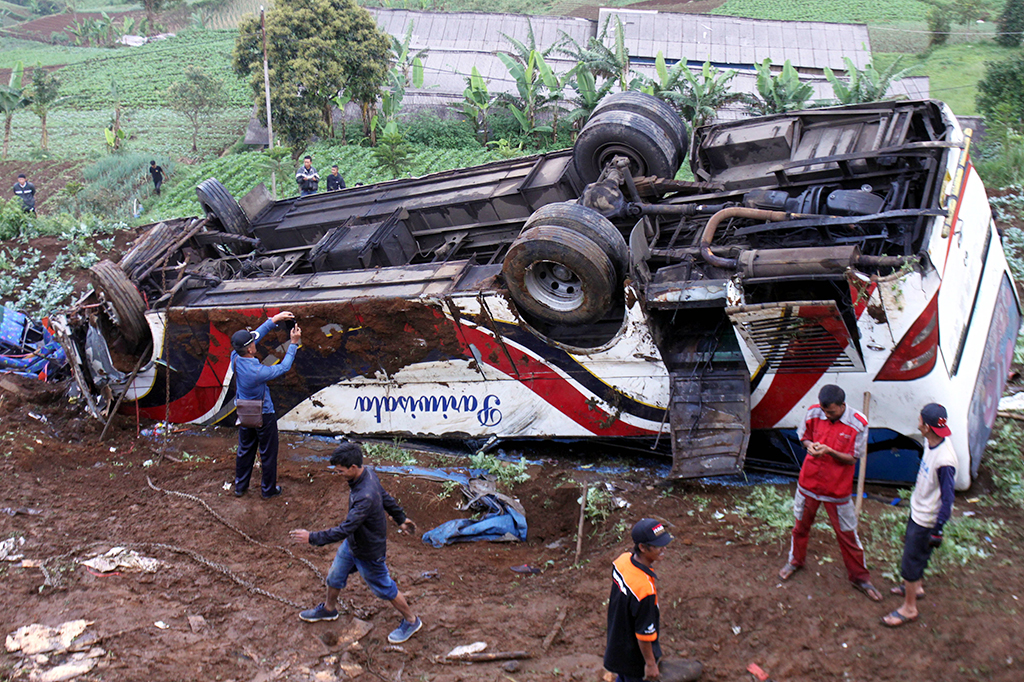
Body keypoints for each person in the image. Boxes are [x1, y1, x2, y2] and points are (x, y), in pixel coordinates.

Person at [289, 441, 423, 644]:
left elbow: (345, 528)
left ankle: (411, 620)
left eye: (341, 470)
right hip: (353, 544)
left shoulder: (364, 497)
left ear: (353, 467)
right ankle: (329, 609)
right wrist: (401, 518)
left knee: (384, 588)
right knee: (335, 576)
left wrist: (312, 537)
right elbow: (385, 497)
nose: (338, 473)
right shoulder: (367, 473)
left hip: (369, 551)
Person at [778, 384, 882, 602]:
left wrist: (831, 451)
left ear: (843, 406)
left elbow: (854, 458)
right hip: (808, 484)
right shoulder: (814, 412)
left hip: (837, 490)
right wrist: (809, 446)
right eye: (825, 411)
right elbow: (803, 436)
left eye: (831, 412)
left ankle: (860, 578)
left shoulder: (859, 424)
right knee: (800, 527)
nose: (826, 415)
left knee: (847, 535)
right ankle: (795, 561)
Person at [882, 403, 957, 627]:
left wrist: (938, 528)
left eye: (919, 421)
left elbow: (949, 498)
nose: (917, 423)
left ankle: (909, 608)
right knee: (915, 557)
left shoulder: (945, 461)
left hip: (926, 520)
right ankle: (917, 587)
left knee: (910, 563)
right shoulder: (933, 441)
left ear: (926, 427)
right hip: (919, 510)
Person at [230, 311, 301, 499]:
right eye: (253, 343)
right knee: (268, 453)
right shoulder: (257, 372)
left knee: (245, 450)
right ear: (251, 350)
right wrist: (293, 344)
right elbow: (284, 367)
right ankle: (268, 490)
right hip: (264, 415)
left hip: (245, 413)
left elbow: (256, 336)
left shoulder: (235, 357)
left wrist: (274, 320)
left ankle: (240, 487)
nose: (256, 342)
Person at [604, 518, 672, 682]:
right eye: (657, 546)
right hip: (635, 658)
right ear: (642, 547)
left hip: (618, 645)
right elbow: (643, 634)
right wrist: (650, 664)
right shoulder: (644, 590)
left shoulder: (622, 561)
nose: (663, 548)